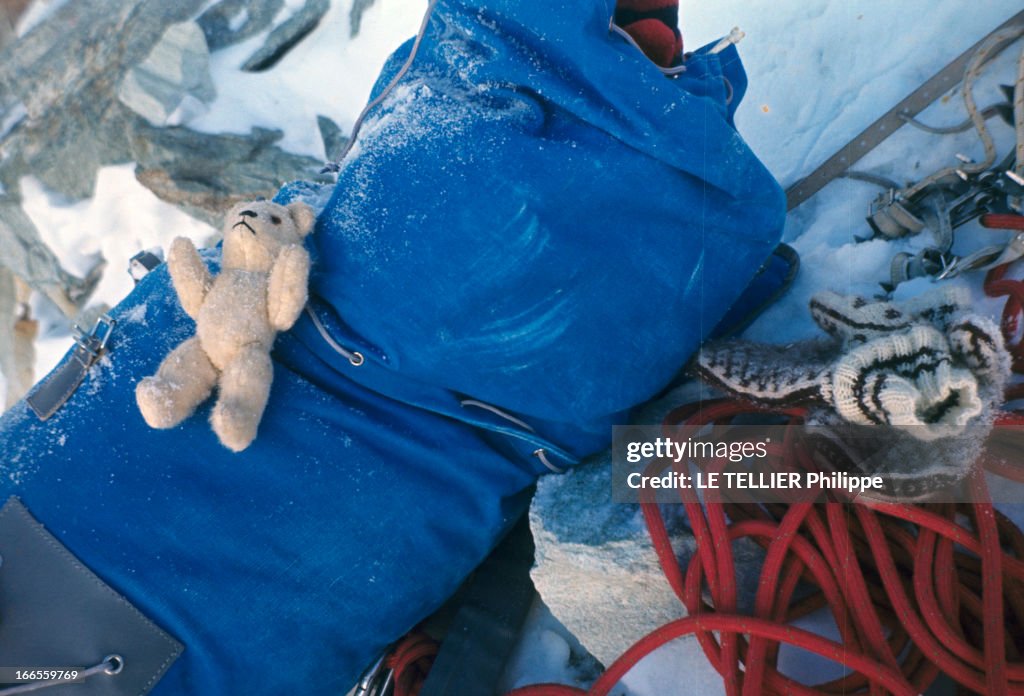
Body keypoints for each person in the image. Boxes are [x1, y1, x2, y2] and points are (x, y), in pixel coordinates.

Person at [0, 0, 784, 693]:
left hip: (413, 333)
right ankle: (597, 93)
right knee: (495, 204)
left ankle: (601, 97)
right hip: (431, 334)